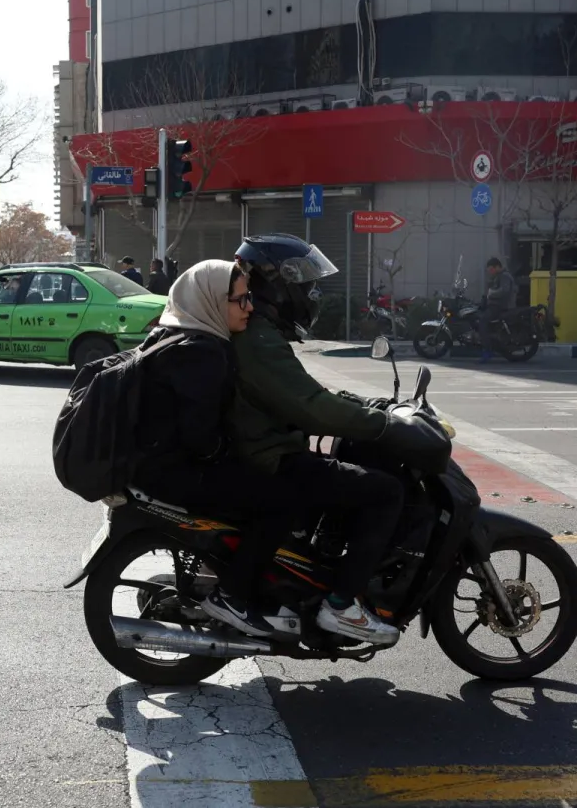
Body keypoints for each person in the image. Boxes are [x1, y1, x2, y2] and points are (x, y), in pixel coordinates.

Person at [229, 233, 406, 646]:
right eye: (304, 283)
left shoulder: (262, 332)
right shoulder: (256, 337)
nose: (311, 292)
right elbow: (309, 405)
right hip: (269, 457)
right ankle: (341, 605)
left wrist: (368, 405)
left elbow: (302, 392)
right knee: (385, 492)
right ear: (276, 283)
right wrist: (381, 425)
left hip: (264, 446)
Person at [132, 259, 294, 637]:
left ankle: (222, 573)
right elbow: (199, 436)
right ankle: (233, 596)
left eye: (248, 298)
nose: (249, 307)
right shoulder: (202, 352)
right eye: (239, 300)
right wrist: (232, 453)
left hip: (157, 464)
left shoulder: (176, 333)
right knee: (282, 500)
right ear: (210, 302)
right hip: (175, 473)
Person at [480, 257, 517, 363]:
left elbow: (504, 291)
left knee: (482, 321)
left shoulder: (505, 276)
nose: (490, 272)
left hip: (501, 306)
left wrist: (491, 293)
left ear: (497, 267)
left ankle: (487, 350)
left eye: (491, 269)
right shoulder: (498, 276)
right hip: (496, 305)